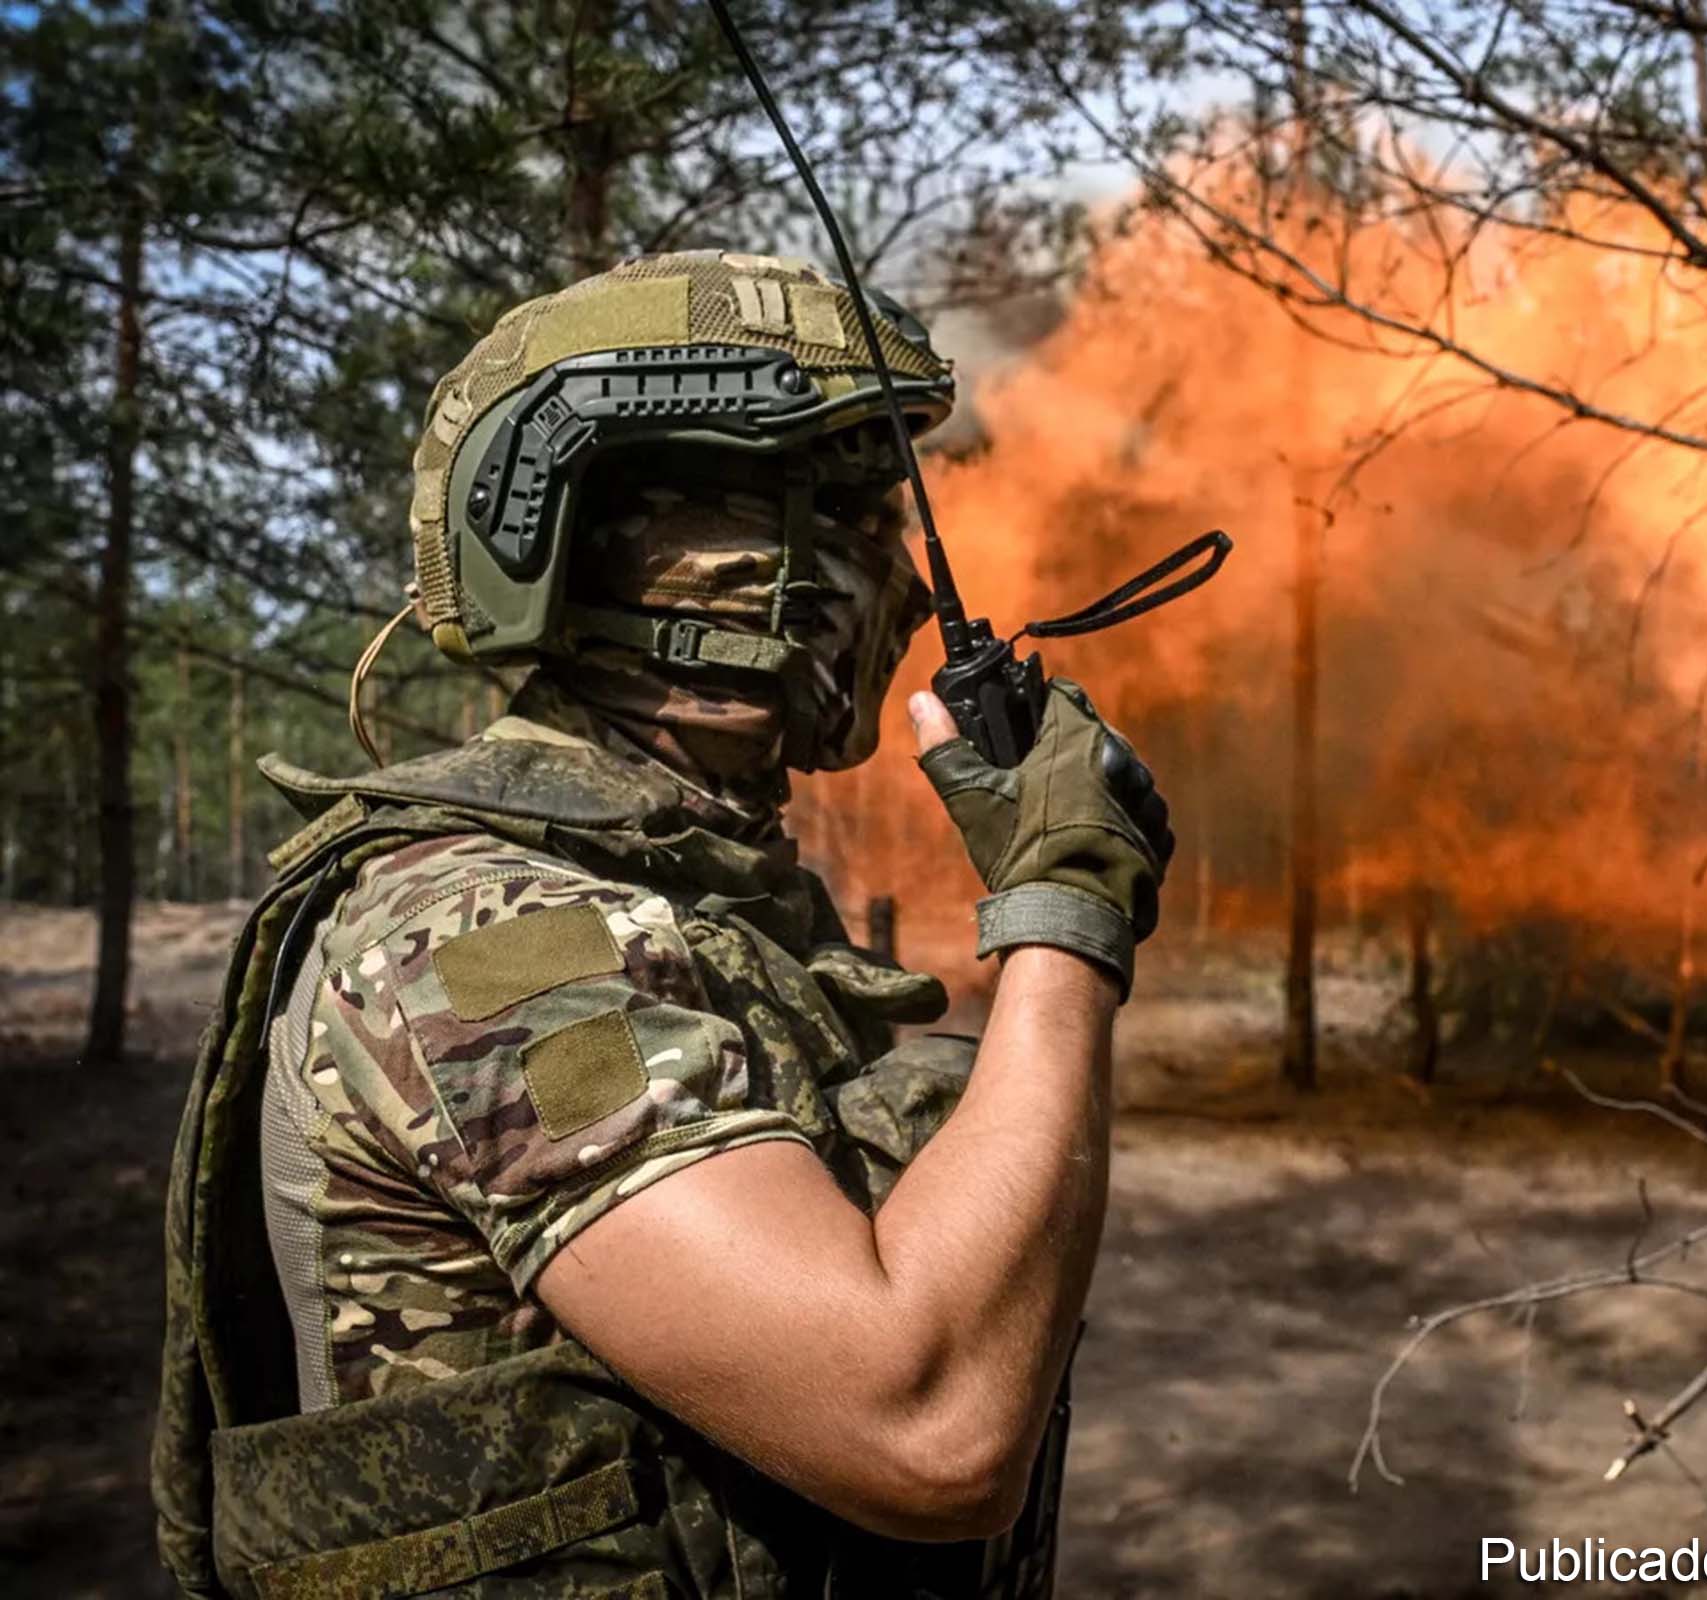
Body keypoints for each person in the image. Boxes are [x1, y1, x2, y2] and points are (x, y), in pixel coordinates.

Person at [152, 250, 1173, 1599]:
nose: (913, 591)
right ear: (661, 561)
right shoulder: (493, 945)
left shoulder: (697, 899)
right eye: (863, 526)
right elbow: (926, 1423)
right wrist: (1063, 917)